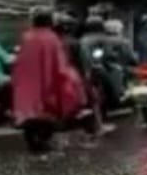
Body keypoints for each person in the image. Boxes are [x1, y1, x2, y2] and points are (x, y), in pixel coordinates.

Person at [11, 8, 89, 152]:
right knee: (47, 114)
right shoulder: (52, 38)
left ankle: (33, 141)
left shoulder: (27, 37)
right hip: (47, 84)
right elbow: (59, 64)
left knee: (30, 113)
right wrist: (71, 77)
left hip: (27, 83)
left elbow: (19, 61)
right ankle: (42, 142)